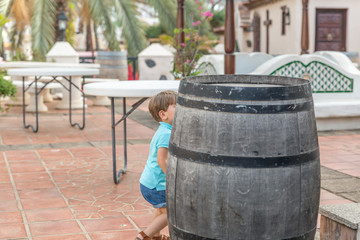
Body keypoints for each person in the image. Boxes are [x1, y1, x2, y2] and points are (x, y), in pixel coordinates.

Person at [135, 90, 177, 240]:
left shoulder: (164, 130)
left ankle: (156, 236)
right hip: (157, 185)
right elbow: (162, 159)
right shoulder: (166, 134)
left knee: (161, 210)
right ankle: (144, 236)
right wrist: (172, 178)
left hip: (148, 182)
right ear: (163, 115)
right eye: (176, 106)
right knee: (170, 213)